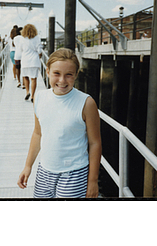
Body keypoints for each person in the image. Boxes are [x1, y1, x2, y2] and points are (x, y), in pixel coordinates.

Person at [17, 48, 102, 198]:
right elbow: (38, 133)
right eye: (57, 73)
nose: (62, 80)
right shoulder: (39, 97)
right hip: (44, 170)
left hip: (74, 174)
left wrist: (93, 180)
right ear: (48, 71)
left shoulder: (86, 103)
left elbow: (95, 143)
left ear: (76, 75)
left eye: (69, 75)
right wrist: (28, 166)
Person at [20, 24, 43, 102]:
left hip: (25, 60)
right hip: (34, 61)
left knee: (25, 77)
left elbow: (21, 49)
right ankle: (32, 96)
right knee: (33, 79)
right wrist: (40, 54)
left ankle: (27, 92)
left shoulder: (22, 39)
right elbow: (39, 50)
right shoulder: (37, 38)